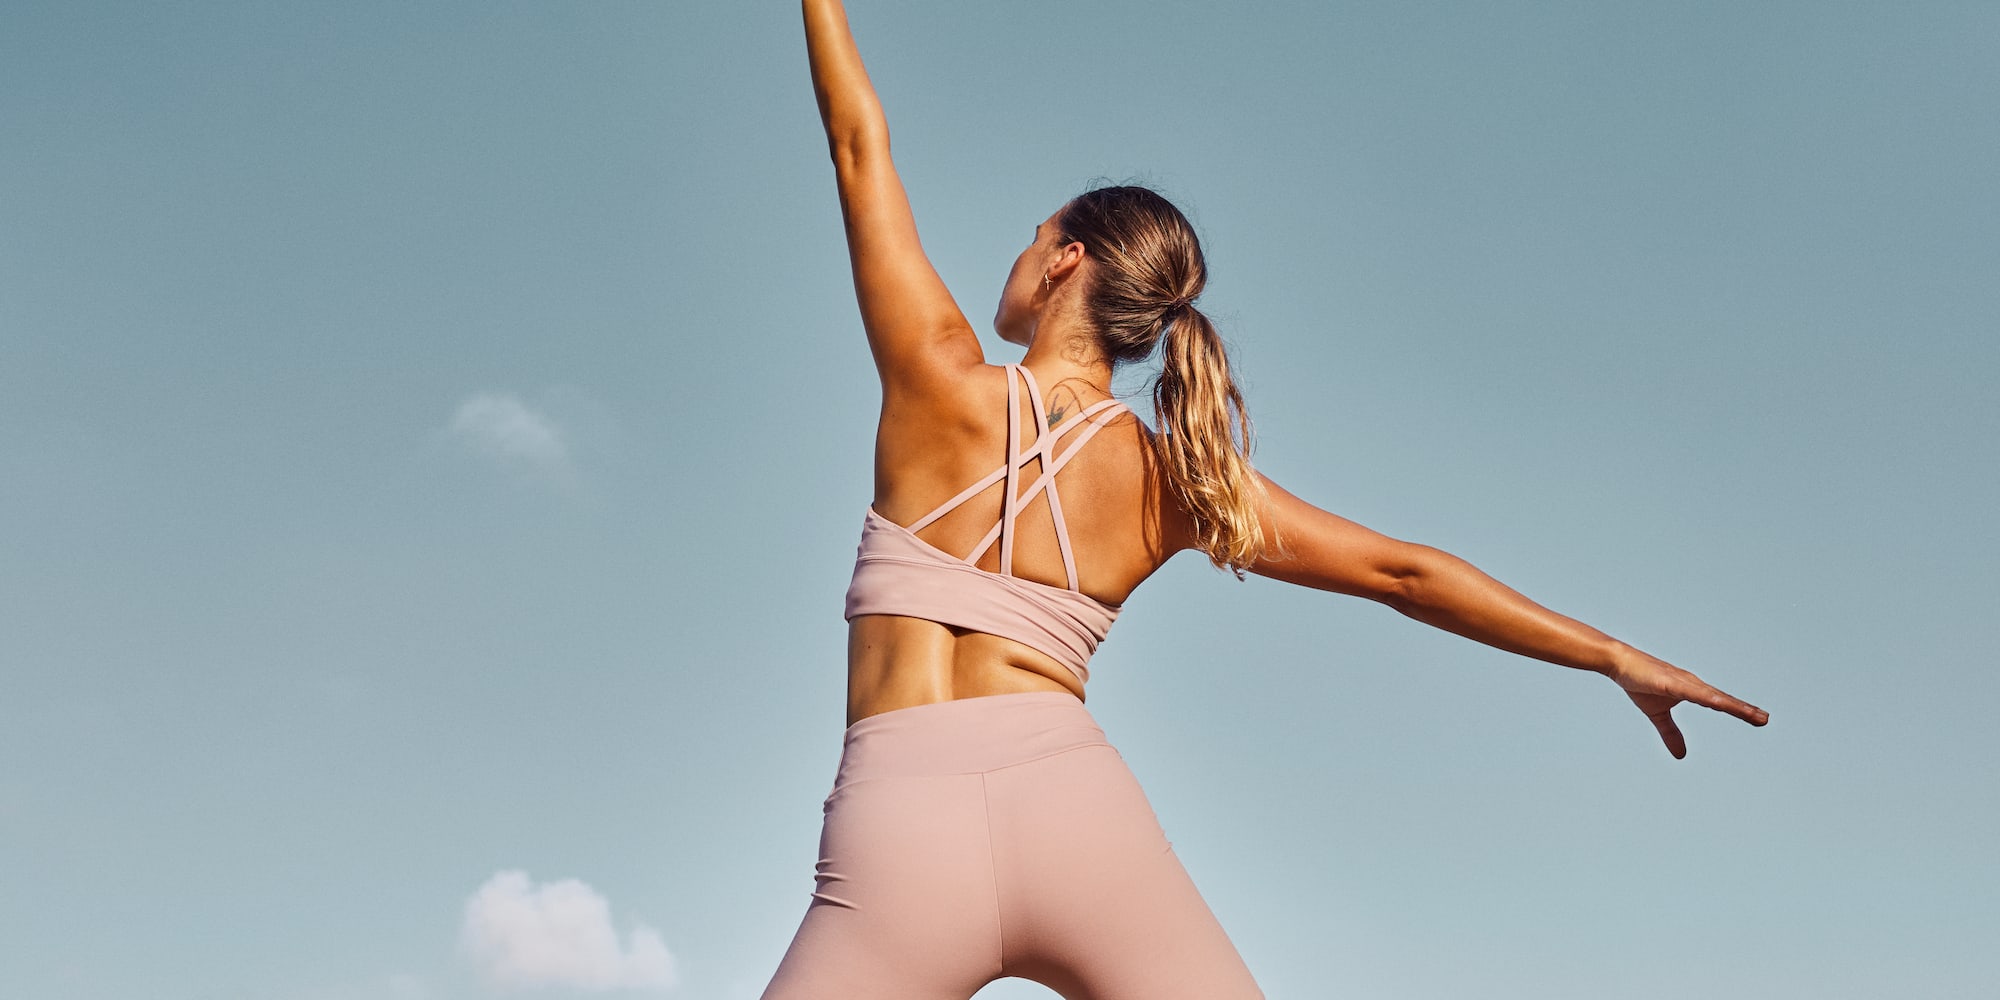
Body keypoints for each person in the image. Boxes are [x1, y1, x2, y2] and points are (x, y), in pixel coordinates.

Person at [764, 3, 1770, 998]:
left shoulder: (932, 378)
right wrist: (1608, 655)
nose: (1019, 254)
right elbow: (1402, 574)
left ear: (1067, 259)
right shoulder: (1178, 479)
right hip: (1071, 809)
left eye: (1035, 239)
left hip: (898, 825)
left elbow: (857, 143)